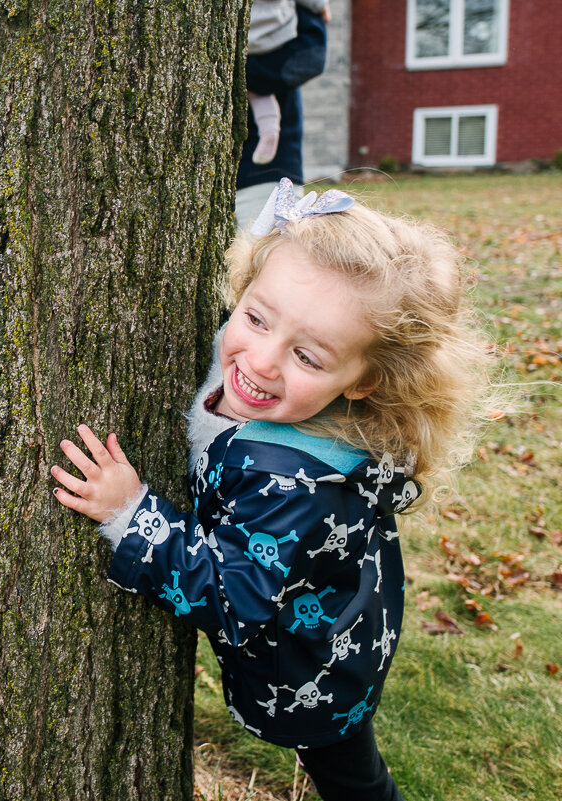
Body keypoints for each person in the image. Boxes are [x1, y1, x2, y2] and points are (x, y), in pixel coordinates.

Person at [51, 179, 496, 801]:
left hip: (317, 670)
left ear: (363, 382)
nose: (260, 361)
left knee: (350, 775)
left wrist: (129, 513)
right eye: (255, 317)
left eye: (307, 357)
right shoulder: (272, 380)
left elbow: (233, 596)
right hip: (343, 625)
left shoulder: (290, 481)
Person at [237, 1, 331, 227]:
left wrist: (229, 70)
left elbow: (309, 56)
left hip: (266, 170)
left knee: (263, 255)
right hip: (192, 166)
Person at [247, 0, 332, 166]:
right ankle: (270, 131)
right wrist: (321, 5)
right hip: (278, 33)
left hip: (248, 37)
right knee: (256, 85)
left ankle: (269, 129)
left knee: (252, 86)